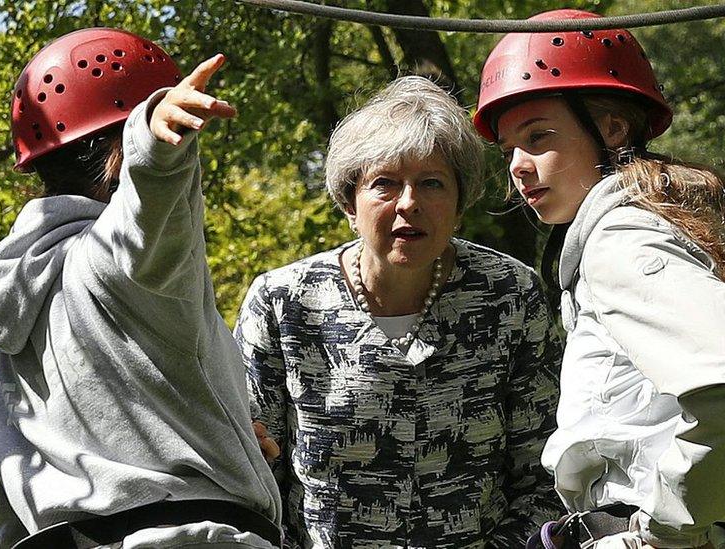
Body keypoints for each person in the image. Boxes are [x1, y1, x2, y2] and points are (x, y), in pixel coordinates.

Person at [472, 9, 725, 549]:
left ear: (612, 128)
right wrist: (719, 515)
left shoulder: (622, 235)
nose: (517, 165)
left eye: (539, 137)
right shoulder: (693, 226)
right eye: (511, 147)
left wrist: (668, 527)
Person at [0, 28, 282, 548]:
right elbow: (147, 209)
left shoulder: (10, 356)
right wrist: (155, 141)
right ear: (120, 150)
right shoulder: (119, 265)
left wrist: (220, 437)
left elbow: (3, 478)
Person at [233, 75, 564, 547]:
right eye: (384, 184)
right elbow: (252, 477)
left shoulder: (509, 293)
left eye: (431, 183)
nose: (409, 204)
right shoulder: (284, 302)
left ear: (460, 201)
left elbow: (544, 475)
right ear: (350, 203)